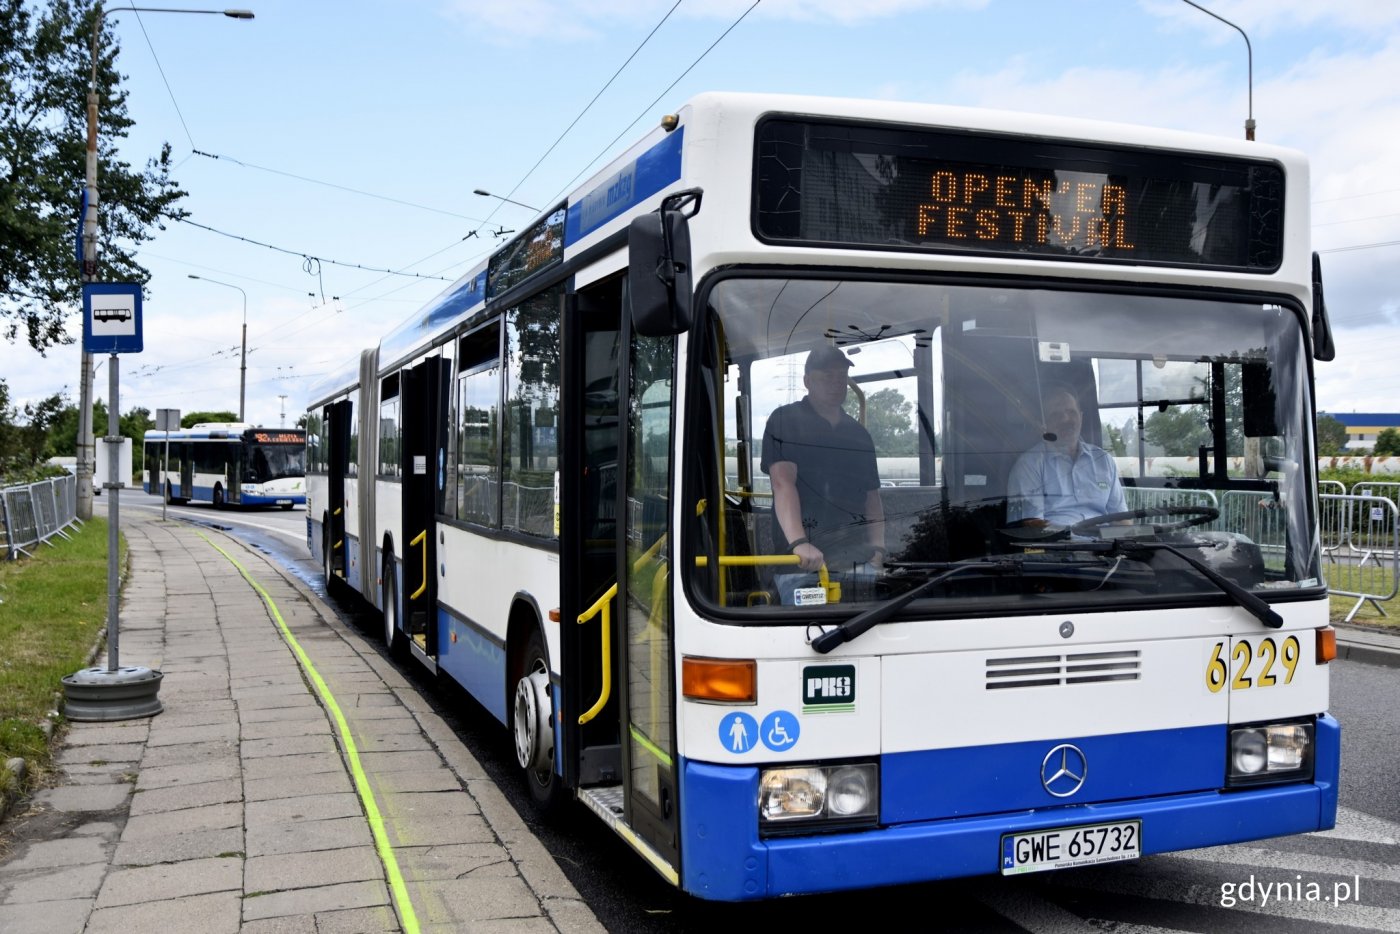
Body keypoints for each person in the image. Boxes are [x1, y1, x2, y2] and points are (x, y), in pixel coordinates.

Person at [761, 345, 885, 601]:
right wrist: (799, 544)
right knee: (808, 637)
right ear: (807, 381)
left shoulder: (859, 435)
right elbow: (783, 484)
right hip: (803, 565)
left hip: (857, 562)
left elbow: (871, 495)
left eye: (841, 377)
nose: (836, 383)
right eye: (827, 377)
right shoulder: (785, 421)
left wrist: (878, 547)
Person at [1007, 385, 1127, 529]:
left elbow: (1122, 519)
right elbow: (1032, 526)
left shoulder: (1103, 460)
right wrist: (1076, 539)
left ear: (1081, 417)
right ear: (1043, 424)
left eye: (1071, 412)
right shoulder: (1029, 465)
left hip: (1107, 548)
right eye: (1055, 415)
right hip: (1060, 548)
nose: (1065, 419)